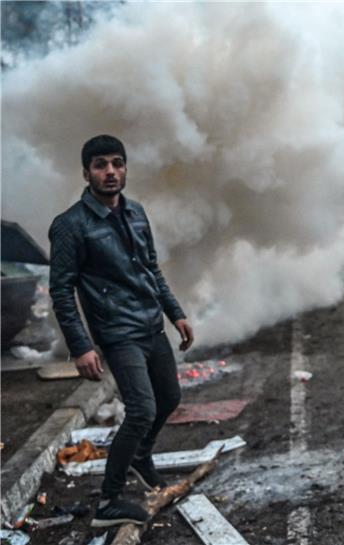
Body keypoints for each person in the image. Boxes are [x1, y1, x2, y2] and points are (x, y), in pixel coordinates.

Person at [49, 135, 194, 527]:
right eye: (101, 165)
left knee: (168, 397)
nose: (110, 171)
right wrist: (81, 346)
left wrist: (175, 313)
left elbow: (151, 269)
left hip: (150, 323)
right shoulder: (70, 226)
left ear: (125, 168)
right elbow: (61, 291)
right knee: (142, 408)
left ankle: (141, 456)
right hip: (117, 333)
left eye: (117, 163)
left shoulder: (135, 213)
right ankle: (109, 501)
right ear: (86, 173)